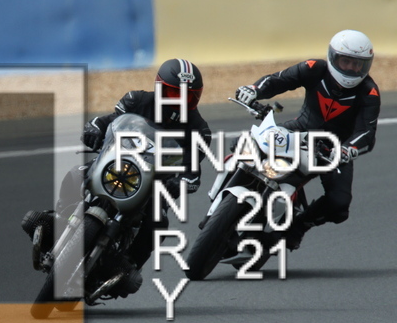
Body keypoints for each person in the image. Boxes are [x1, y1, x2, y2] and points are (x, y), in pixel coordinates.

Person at [23, 58, 213, 297]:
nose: (179, 101)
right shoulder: (136, 100)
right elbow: (107, 122)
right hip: (115, 164)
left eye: (188, 97)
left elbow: (193, 168)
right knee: (74, 174)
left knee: (158, 222)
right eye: (174, 94)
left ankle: (127, 266)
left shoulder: (200, 130)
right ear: (159, 88)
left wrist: (184, 182)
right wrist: (93, 129)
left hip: (154, 184)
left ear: (196, 98)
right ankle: (61, 218)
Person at [235, 29, 380, 250]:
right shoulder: (314, 68)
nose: (351, 68)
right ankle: (227, 194)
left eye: (357, 64)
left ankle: (298, 227)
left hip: (334, 150)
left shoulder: (369, 92)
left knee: (339, 205)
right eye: (346, 61)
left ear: (366, 65)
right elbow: (278, 80)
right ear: (333, 57)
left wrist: (348, 149)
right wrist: (254, 90)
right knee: (244, 143)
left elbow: (367, 133)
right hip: (299, 129)